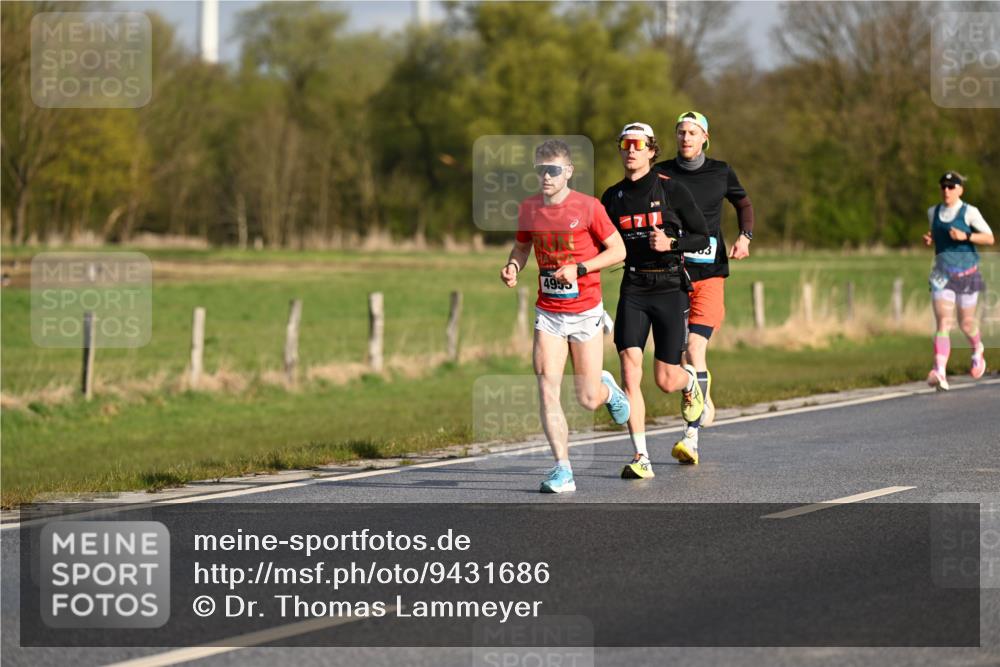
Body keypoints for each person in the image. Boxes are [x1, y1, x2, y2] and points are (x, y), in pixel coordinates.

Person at [501, 139, 631, 493]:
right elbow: (523, 245)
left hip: (586, 310)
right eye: (540, 169)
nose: (546, 176)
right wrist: (514, 265)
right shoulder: (529, 209)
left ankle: (607, 389)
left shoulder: (588, 208)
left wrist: (581, 267)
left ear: (568, 172)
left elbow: (618, 250)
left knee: (587, 398)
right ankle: (563, 469)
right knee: (546, 388)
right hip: (549, 313)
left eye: (553, 170)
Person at [600, 122, 709, 478]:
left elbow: (702, 236)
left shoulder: (671, 189)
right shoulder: (612, 197)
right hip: (633, 288)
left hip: (669, 286)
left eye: (638, 144)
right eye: (625, 144)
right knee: (630, 372)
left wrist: (672, 244)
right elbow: (599, 247)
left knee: (665, 379)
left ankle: (689, 382)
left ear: (651, 150)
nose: (631, 150)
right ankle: (641, 457)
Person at [655, 111, 755, 464]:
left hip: (711, 272)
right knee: (684, 354)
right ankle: (702, 393)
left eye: (692, 132)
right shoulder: (660, 172)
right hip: (673, 272)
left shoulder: (721, 171)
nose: (685, 138)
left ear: (704, 138)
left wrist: (745, 237)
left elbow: (742, 202)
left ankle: (691, 437)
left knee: (695, 349)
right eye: (680, 132)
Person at [922, 171, 994, 391]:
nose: (946, 190)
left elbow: (990, 238)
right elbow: (937, 233)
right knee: (943, 322)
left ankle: (977, 350)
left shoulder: (969, 212)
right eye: (943, 186)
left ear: (960, 189)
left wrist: (967, 236)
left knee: (966, 323)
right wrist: (932, 238)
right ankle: (940, 372)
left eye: (951, 187)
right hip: (942, 273)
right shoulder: (933, 212)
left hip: (966, 273)